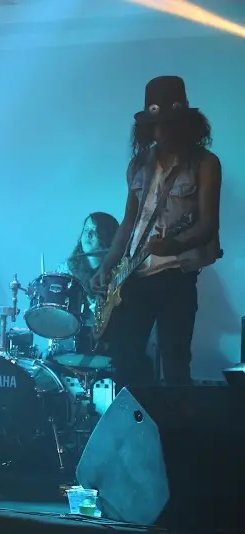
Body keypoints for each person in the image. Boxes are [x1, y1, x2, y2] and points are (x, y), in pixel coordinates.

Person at [90, 76, 222, 390]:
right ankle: (144, 416)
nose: (163, 132)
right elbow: (128, 222)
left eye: (170, 124)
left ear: (186, 123)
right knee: (126, 360)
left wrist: (172, 245)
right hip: (134, 276)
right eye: (156, 125)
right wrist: (107, 265)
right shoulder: (138, 165)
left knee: (175, 363)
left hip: (176, 276)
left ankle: (175, 420)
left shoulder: (205, 164)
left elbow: (208, 225)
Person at [56, 212, 120, 323]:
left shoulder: (119, 267)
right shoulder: (67, 268)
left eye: (94, 231)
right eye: (86, 230)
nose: (88, 235)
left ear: (108, 236)